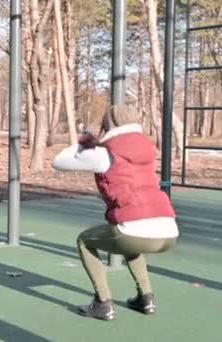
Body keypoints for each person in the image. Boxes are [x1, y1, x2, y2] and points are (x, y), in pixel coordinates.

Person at [52, 104, 179, 321]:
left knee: (85, 241)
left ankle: (103, 303)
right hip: (169, 231)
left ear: (107, 124)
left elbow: (59, 162)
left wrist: (83, 143)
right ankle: (146, 297)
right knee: (132, 243)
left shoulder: (104, 153)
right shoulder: (147, 149)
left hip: (135, 229)